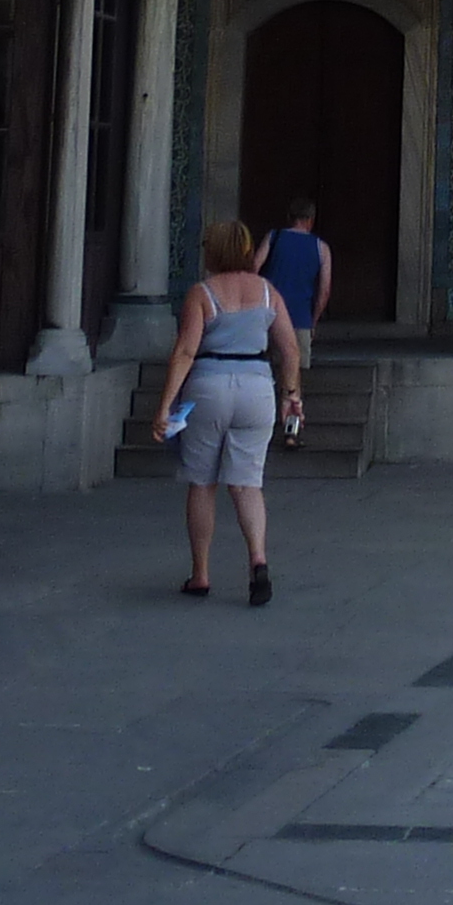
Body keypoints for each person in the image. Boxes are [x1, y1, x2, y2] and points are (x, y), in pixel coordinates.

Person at [148, 219, 302, 606]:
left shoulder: (202, 293)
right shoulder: (268, 293)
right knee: (248, 483)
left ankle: (200, 573)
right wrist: (291, 395)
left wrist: (165, 405)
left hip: (209, 386)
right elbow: (290, 350)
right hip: (256, 387)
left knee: (202, 482)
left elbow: (184, 352)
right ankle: (258, 561)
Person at [258, 195, 330, 370]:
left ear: (289, 217)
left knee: (269, 371)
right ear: (311, 220)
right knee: (294, 376)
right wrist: (313, 321)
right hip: (301, 319)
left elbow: (254, 267)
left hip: (271, 316)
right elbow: (324, 291)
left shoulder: (273, 237)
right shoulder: (321, 248)